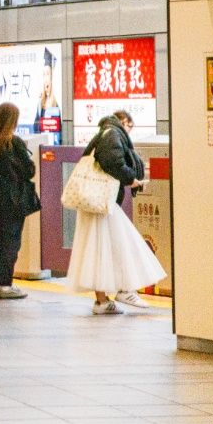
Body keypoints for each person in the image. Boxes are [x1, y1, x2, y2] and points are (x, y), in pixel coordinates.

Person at [72, 110, 164, 315]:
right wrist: (132, 179)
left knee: (101, 250)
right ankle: (124, 289)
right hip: (104, 201)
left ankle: (102, 300)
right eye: (130, 127)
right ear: (125, 122)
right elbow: (114, 162)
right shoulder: (113, 133)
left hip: (96, 202)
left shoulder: (104, 133)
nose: (130, 132)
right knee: (122, 244)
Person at [0, 102, 40, 301]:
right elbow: (28, 170)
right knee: (11, 243)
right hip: (13, 203)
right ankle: (5, 285)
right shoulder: (13, 143)